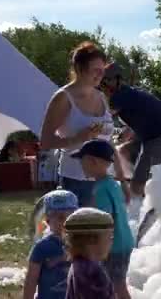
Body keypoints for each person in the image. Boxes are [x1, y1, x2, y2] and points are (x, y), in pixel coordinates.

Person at [40, 41, 125, 207]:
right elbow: (45, 141)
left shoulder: (101, 97)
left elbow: (108, 140)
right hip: (76, 180)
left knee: (103, 230)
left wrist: (120, 173)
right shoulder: (63, 98)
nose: (100, 76)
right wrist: (79, 138)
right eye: (95, 70)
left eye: (102, 71)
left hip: (105, 179)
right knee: (81, 231)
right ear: (79, 68)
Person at [100, 62, 161, 197]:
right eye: (102, 82)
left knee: (138, 185)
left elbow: (101, 118)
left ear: (117, 80)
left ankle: (147, 202)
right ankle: (134, 179)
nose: (103, 85)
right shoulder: (129, 94)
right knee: (123, 151)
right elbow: (135, 123)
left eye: (106, 81)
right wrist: (121, 138)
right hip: (155, 133)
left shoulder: (120, 96)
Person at [72, 139, 134, 299]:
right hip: (125, 240)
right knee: (119, 284)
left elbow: (103, 220)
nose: (81, 166)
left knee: (115, 286)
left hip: (113, 246)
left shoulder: (100, 189)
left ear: (92, 161)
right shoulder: (112, 184)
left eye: (82, 161)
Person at [23, 190, 78, 299]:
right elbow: (31, 280)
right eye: (60, 217)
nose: (65, 221)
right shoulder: (42, 247)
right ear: (48, 220)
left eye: (70, 216)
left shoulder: (81, 244)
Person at [64, 207, 115, 299]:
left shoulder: (76, 266)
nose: (111, 241)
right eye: (110, 237)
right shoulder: (93, 272)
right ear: (92, 239)